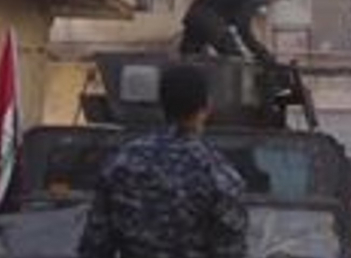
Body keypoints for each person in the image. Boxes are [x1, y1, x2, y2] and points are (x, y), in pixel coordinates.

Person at [78, 64, 248, 258]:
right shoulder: (219, 174)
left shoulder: (122, 162)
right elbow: (230, 252)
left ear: (162, 104)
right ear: (207, 107)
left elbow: (94, 247)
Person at [179, 0, 292, 64]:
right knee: (236, 58)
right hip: (209, 18)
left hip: (194, 14)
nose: (274, 2)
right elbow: (243, 28)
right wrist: (261, 52)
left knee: (188, 59)